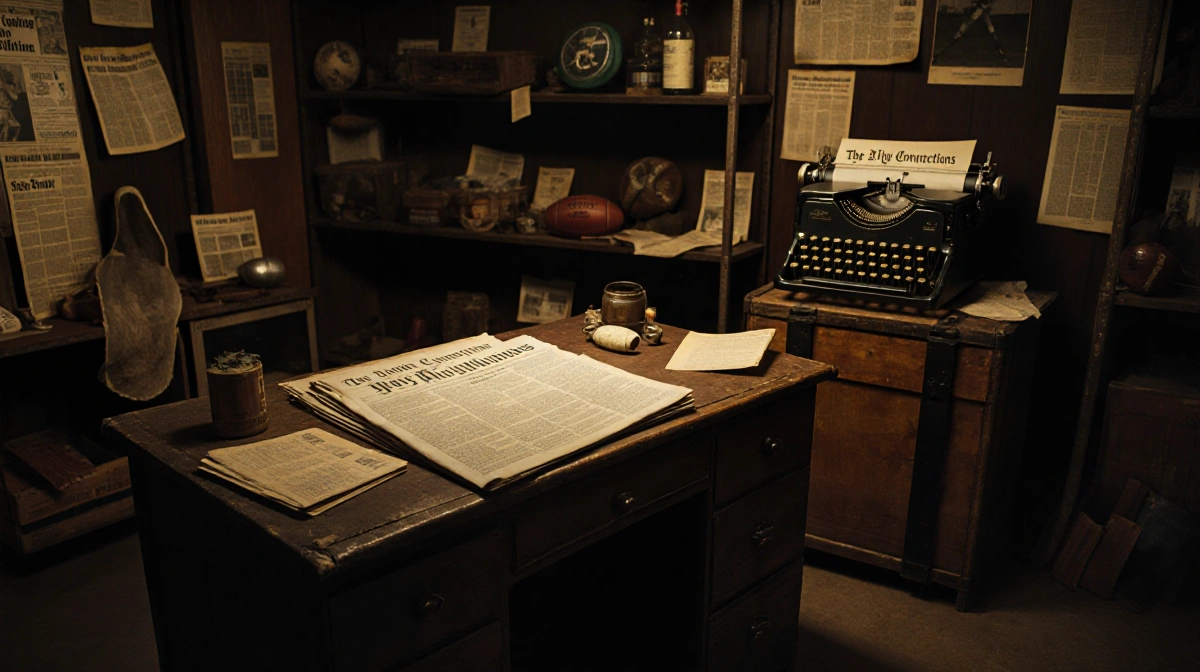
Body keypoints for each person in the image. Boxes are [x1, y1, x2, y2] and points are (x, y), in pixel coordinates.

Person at [933, 0, 1008, 65]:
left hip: (980, 14)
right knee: (959, 34)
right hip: (977, 13)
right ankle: (937, 54)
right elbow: (977, 6)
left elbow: (985, 6)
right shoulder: (979, 7)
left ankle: (1002, 54)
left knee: (992, 34)